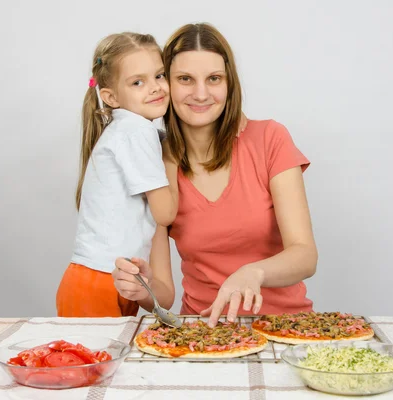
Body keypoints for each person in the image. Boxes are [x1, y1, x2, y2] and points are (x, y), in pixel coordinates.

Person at [112, 23, 318, 327]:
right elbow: (165, 295)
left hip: (286, 328)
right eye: (185, 79)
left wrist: (253, 272)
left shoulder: (270, 139)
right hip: (202, 333)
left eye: (214, 79)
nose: (200, 93)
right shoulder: (153, 164)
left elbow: (305, 255)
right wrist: (142, 287)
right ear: (165, 83)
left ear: (229, 84)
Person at [56, 32, 178, 318]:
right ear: (110, 97)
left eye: (159, 76)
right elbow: (166, 213)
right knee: (92, 363)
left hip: (111, 279)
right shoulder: (136, 130)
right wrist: (174, 158)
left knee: (107, 362)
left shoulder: (129, 129)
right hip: (98, 281)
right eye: (138, 82)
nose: (155, 88)